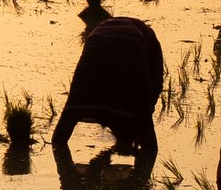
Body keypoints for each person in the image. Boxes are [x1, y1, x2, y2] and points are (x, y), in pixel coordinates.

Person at [51, 13, 165, 152]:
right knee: (149, 145)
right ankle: (145, 170)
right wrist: (145, 113)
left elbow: (104, 93)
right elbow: (156, 83)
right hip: (128, 44)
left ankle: (60, 155)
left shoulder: (145, 36)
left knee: (73, 110)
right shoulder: (150, 38)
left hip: (96, 40)